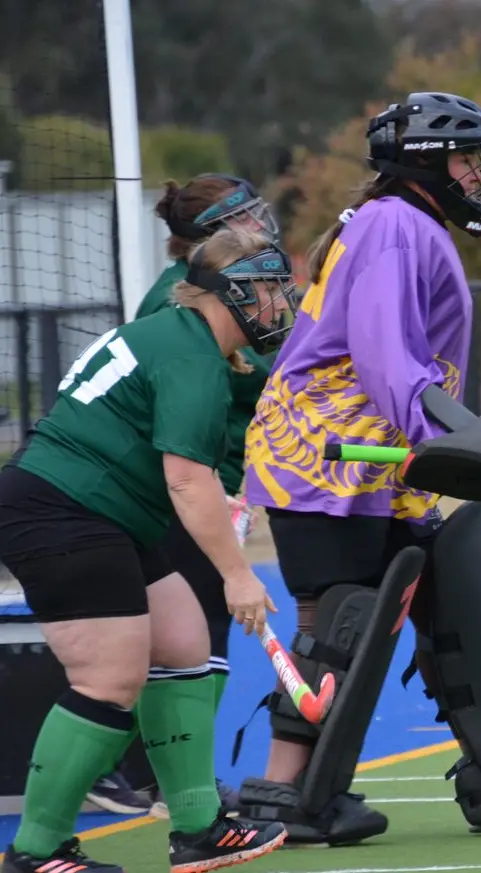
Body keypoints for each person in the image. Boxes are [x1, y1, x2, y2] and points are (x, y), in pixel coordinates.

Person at [235, 91, 481, 846]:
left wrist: (452, 440)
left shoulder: (405, 225)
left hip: (383, 459)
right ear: (428, 161)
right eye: (467, 160)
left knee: (447, 587)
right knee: (336, 624)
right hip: (328, 457)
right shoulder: (394, 225)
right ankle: (281, 795)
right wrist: (464, 435)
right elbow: (384, 357)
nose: (476, 176)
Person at [0, 227, 298, 873]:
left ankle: (197, 827)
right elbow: (187, 480)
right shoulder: (190, 354)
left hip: (102, 512)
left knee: (184, 641)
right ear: (230, 294)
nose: (279, 303)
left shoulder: (180, 339)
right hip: (66, 511)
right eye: (269, 288)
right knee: (108, 680)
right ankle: (36, 851)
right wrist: (237, 575)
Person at [85, 172, 280, 819]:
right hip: (171, 486)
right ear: (212, 235)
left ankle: (153, 772)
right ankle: (155, 775)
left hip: (206, 477)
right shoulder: (182, 301)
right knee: (191, 631)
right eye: (246, 216)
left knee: (187, 632)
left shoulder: (237, 287)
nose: (261, 224)